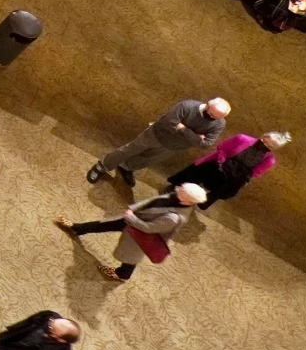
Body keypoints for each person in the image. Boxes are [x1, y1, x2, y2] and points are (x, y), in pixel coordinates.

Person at [57, 184, 205, 282]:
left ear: (188, 201)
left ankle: (123, 274)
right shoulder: (176, 197)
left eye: (182, 190)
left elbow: (148, 228)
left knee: (130, 256)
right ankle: (77, 228)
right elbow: (153, 200)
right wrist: (133, 209)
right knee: (104, 225)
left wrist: (130, 217)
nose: (178, 188)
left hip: (139, 232)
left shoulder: (174, 218)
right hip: (133, 220)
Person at [87, 96, 229, 187]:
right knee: (127, 150)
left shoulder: (219, 123)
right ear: (207, 106)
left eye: (215, 117)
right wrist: (195, 136)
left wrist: (183, 129)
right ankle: (102, 166)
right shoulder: (186, 106)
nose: (212, 119)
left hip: (174, 147)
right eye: (210, 114)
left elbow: (205, 144)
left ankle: (126, 168)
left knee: (146, 160)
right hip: (155, 134)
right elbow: (168, 123)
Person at [177, 130, 289, 208]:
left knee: (229, 185)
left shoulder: (269, 159)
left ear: (273, 148)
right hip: (222, 162)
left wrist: (242, 177)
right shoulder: (243, 138)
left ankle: (203, 201)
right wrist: (221, 162)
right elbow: (222, 147)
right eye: (264, 141)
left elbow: (255, 172)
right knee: (202, 170)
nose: (264, 145)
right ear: (263, 137)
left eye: (269, 146)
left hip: (236, 174)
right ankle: (178, 187)